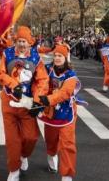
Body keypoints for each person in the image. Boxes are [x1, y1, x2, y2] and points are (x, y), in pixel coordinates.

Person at [0, 26, 48, 181]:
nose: (22, 44)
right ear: (16, 41)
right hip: (9, 102)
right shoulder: (8, 53)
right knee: (12, 140)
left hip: (27, 103)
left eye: (24, 41)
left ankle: (24, 156)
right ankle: (14, 170)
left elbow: (42, 80)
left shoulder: (36, 58)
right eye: (19, 41)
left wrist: (38, 100)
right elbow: (0, 74)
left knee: (31, 137)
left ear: (29, 42)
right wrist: (13, 84)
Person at [38, 45, 78, 181]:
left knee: (68, 144)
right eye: (55, 55)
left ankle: (67, 175)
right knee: (51, 139)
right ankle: (51, 153)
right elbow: (40, 83)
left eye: (60, 56)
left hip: (67, 112)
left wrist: (49, 99)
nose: (57, 58)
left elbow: (65, 93)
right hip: (50, 112)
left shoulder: (71, 75)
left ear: (65, 58)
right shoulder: (47, 69)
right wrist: (38, 100)